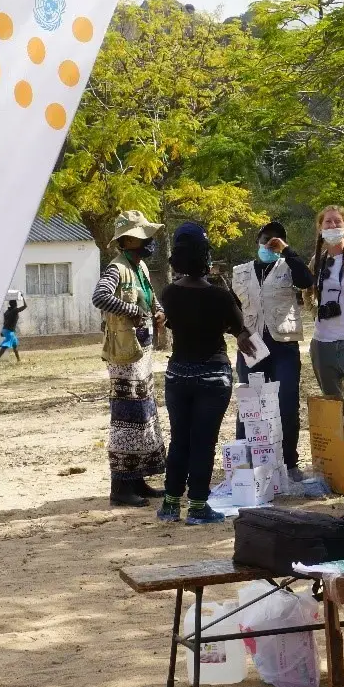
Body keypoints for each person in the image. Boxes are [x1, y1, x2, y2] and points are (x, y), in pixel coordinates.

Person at [158, 223, 258, 526]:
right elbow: (243, 332)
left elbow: (174, 324)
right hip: (212, 377)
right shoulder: (219, 296)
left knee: (180, 440)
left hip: (177, 375)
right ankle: (199, 506)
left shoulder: (169, 294)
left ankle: (170, 504)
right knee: (204, 441)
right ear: (206, 256)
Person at [91, 210, 168, 508]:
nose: (150, 242)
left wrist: (158, 310)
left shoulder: (141, 268)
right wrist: (132, 311)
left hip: (140, 353)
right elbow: (100, 298)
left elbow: (150, 298)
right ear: (128, 240)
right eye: (144, 237)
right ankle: (120, 488)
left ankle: (137, 480)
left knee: (143, 416)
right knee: (127, 419)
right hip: (124, 357)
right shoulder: (116, 269)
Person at [231, 220, 315, 483]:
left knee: (287, 403)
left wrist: (288, 252)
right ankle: (245, 463)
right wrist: (238, 332)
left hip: (283, 345)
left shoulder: (289, 268)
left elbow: (306, 281)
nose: (270, 243)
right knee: (249, 404)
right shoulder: (241, 272)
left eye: (276, 240)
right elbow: (231, 307)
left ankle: (289, 462)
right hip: (252, 343)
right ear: (257, 242)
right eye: (266, 239)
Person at [308, 206, 344, 410]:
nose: (332, 225)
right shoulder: (318, 261)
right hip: (323, 343)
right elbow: (308, 294)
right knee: (334, 409)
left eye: (337, 221)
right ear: (320, 228)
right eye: (327, 222)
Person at [0, 295, 28, 362]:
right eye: (16, 303)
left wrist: (2, 331)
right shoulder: (15, 310)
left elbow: (5, 322)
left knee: (14, 345)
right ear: (15, 304)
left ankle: (18, 360)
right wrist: (23, 298)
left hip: (6, 330)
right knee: (5, 346)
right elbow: (25, 306)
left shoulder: (7, 312)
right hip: (9, 332)